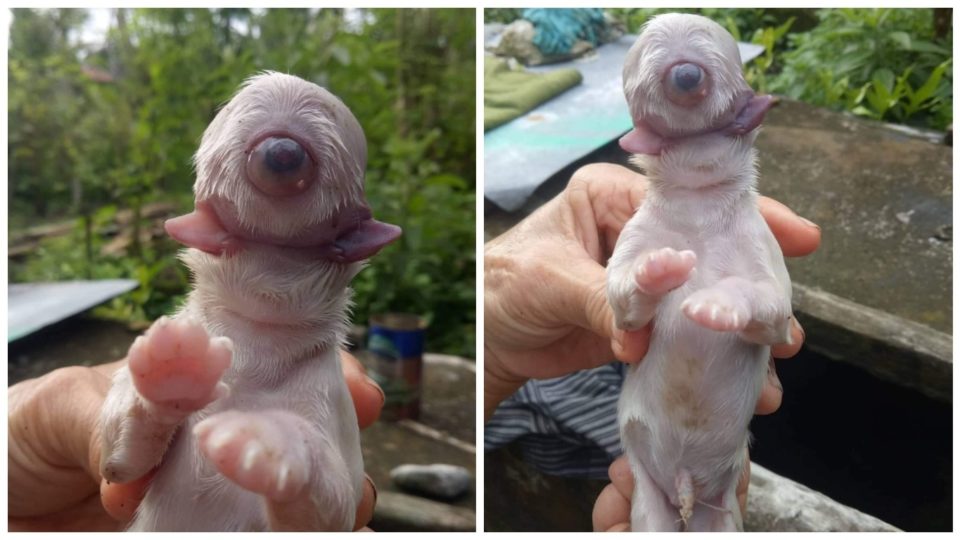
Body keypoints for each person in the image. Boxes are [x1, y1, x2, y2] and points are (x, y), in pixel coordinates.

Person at [484, 163, 821, 530]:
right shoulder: (648, 221)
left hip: (716, 461)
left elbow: (778, 326)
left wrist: (745, 301)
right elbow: (625, 312)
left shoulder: (748, 223)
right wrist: (636, 290)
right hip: (653, 455)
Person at [8, 350, 383, 531]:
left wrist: (302, 474)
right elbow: (119, 466)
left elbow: (332, 516)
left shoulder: (323, 373)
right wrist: (145, 415)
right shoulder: (182, 345)